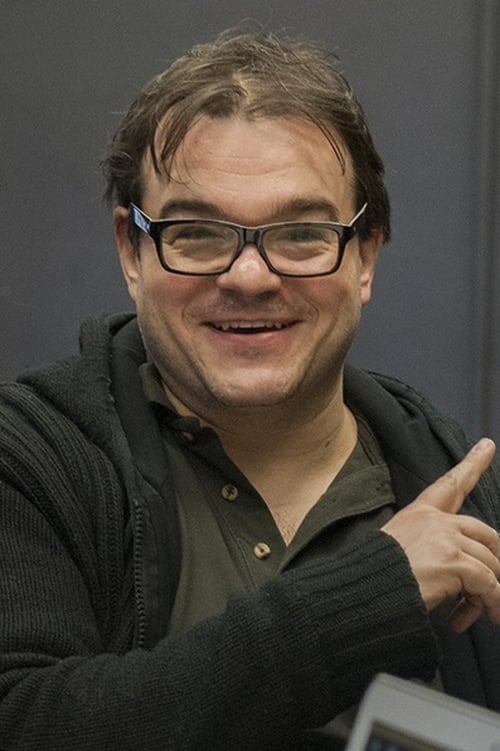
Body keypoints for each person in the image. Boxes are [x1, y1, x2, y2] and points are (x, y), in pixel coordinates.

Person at [0, 29, 500, 751]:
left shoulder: (470, 495)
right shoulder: (31, 465)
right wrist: (371, 596)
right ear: (131, 252)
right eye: (198, 233)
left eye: (300, 233)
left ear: (366, 255)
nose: (249, 276)